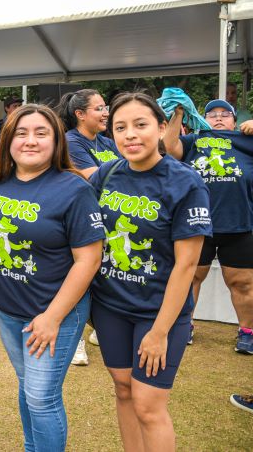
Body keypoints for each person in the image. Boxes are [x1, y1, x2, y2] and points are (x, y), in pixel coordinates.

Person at [90, 92, 211, 452]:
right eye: (120, 127)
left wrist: (159, 332)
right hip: (111, 307)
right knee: (124, 390)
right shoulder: (105, 174)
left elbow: (187, 265)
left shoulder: (185, 182)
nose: (130, 135)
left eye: (140, 125)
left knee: (148, 405)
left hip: (159, 312)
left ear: (161, 127)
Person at [0, 104, 104, 451]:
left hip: (56, 313)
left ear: (57, 141)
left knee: (41, 397)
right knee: (27, 387)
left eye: (41, 133)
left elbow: (89, 259)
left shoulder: (74, 188)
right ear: (8, 140)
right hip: (8, 311)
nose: (30, 141)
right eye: (21, 133)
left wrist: (52, 318)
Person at [163, 99, 253, 353]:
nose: (219, 118)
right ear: (202, 119)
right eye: (212, 114)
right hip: (196, 221)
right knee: (190, 277)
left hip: (239, 222)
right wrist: (178, 114)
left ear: (235, 120)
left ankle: (248, 331)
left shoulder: (247, 141)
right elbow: (169, 148)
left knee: (243, 282)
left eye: (226, 114)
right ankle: (184, 325)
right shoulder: (195, 141)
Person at [57, 88, 122, 362]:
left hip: (107, 223)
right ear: (80, 114)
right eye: (99, 108)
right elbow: (94, 177)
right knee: (81, 280)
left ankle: (97, 327)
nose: (106, 112)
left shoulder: (105, 143)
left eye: (105, 107)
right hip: (80, 223)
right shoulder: (72, 142)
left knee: (101, 279)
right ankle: (76, 341)